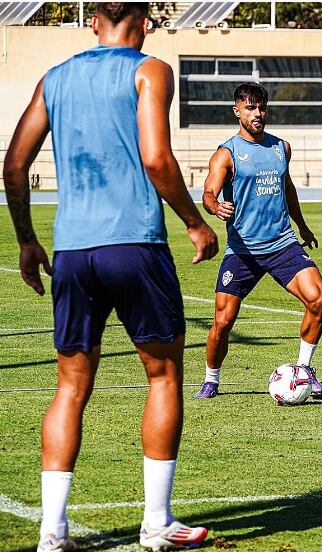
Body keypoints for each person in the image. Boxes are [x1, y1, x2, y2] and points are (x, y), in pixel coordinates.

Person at [1, 3, 217, 550]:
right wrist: (195, 223)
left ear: (93, 20)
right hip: (134, 243)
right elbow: (156, 158)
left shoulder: (56, 77)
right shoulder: (150, 69)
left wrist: (27, 240)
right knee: (164, 376)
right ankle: (157, 523)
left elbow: (13, 165)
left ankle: (52, 532)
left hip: (72, 250)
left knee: (70, 387)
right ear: (144, 23)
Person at [192, 82, 322, 400]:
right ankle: (212, 379)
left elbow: (288, 188)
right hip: (243, 251)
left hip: (282, 244)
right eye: (250, 108)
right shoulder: (226, 154)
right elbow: (208, 193)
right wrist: (215, 207)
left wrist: (303, 227)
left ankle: (305, 369)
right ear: (237, 110)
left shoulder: (282, 147)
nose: (258, 113)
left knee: (318, 299)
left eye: (262, 107)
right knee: (223, 322)